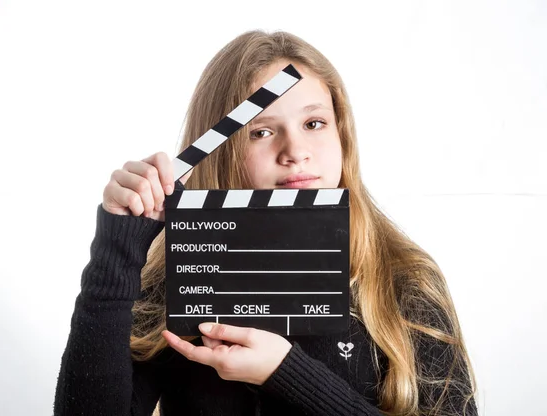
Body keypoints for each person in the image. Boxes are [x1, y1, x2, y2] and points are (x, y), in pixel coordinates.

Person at [54, 30, 477, 416]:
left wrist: (286, 373)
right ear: (221, 150)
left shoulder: (405, 281)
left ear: (342, 137)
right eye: (260, 131)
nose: (295, 151)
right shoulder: (180, 281)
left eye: (314, 123)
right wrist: (117, 246)